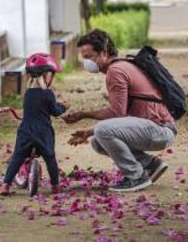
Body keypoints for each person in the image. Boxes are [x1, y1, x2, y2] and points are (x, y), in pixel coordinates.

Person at [63, 29, 177, 193]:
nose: (86, 62)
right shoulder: (123, 65)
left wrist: (83, 114)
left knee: (102, 130)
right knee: (98, 141)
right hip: (158, 128)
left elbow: (117, 113)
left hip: (159, 130)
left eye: (89, 57)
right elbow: (119, 115)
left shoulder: (115, 71)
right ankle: (151, 165)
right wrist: (89, 132)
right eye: (84, 58)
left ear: (103, 52)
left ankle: (135, 177)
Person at [0, 52, 67, 196]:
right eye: (51, 74)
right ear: (46, 75)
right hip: (43, 132)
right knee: (50, 158)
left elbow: (29, 112)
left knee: (17, 157)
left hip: (26, 131)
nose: (52, 78)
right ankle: (55, 186)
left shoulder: (28, 94)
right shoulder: (48, 94)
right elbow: (55, 112)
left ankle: (5, 185)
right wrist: (64, 107)